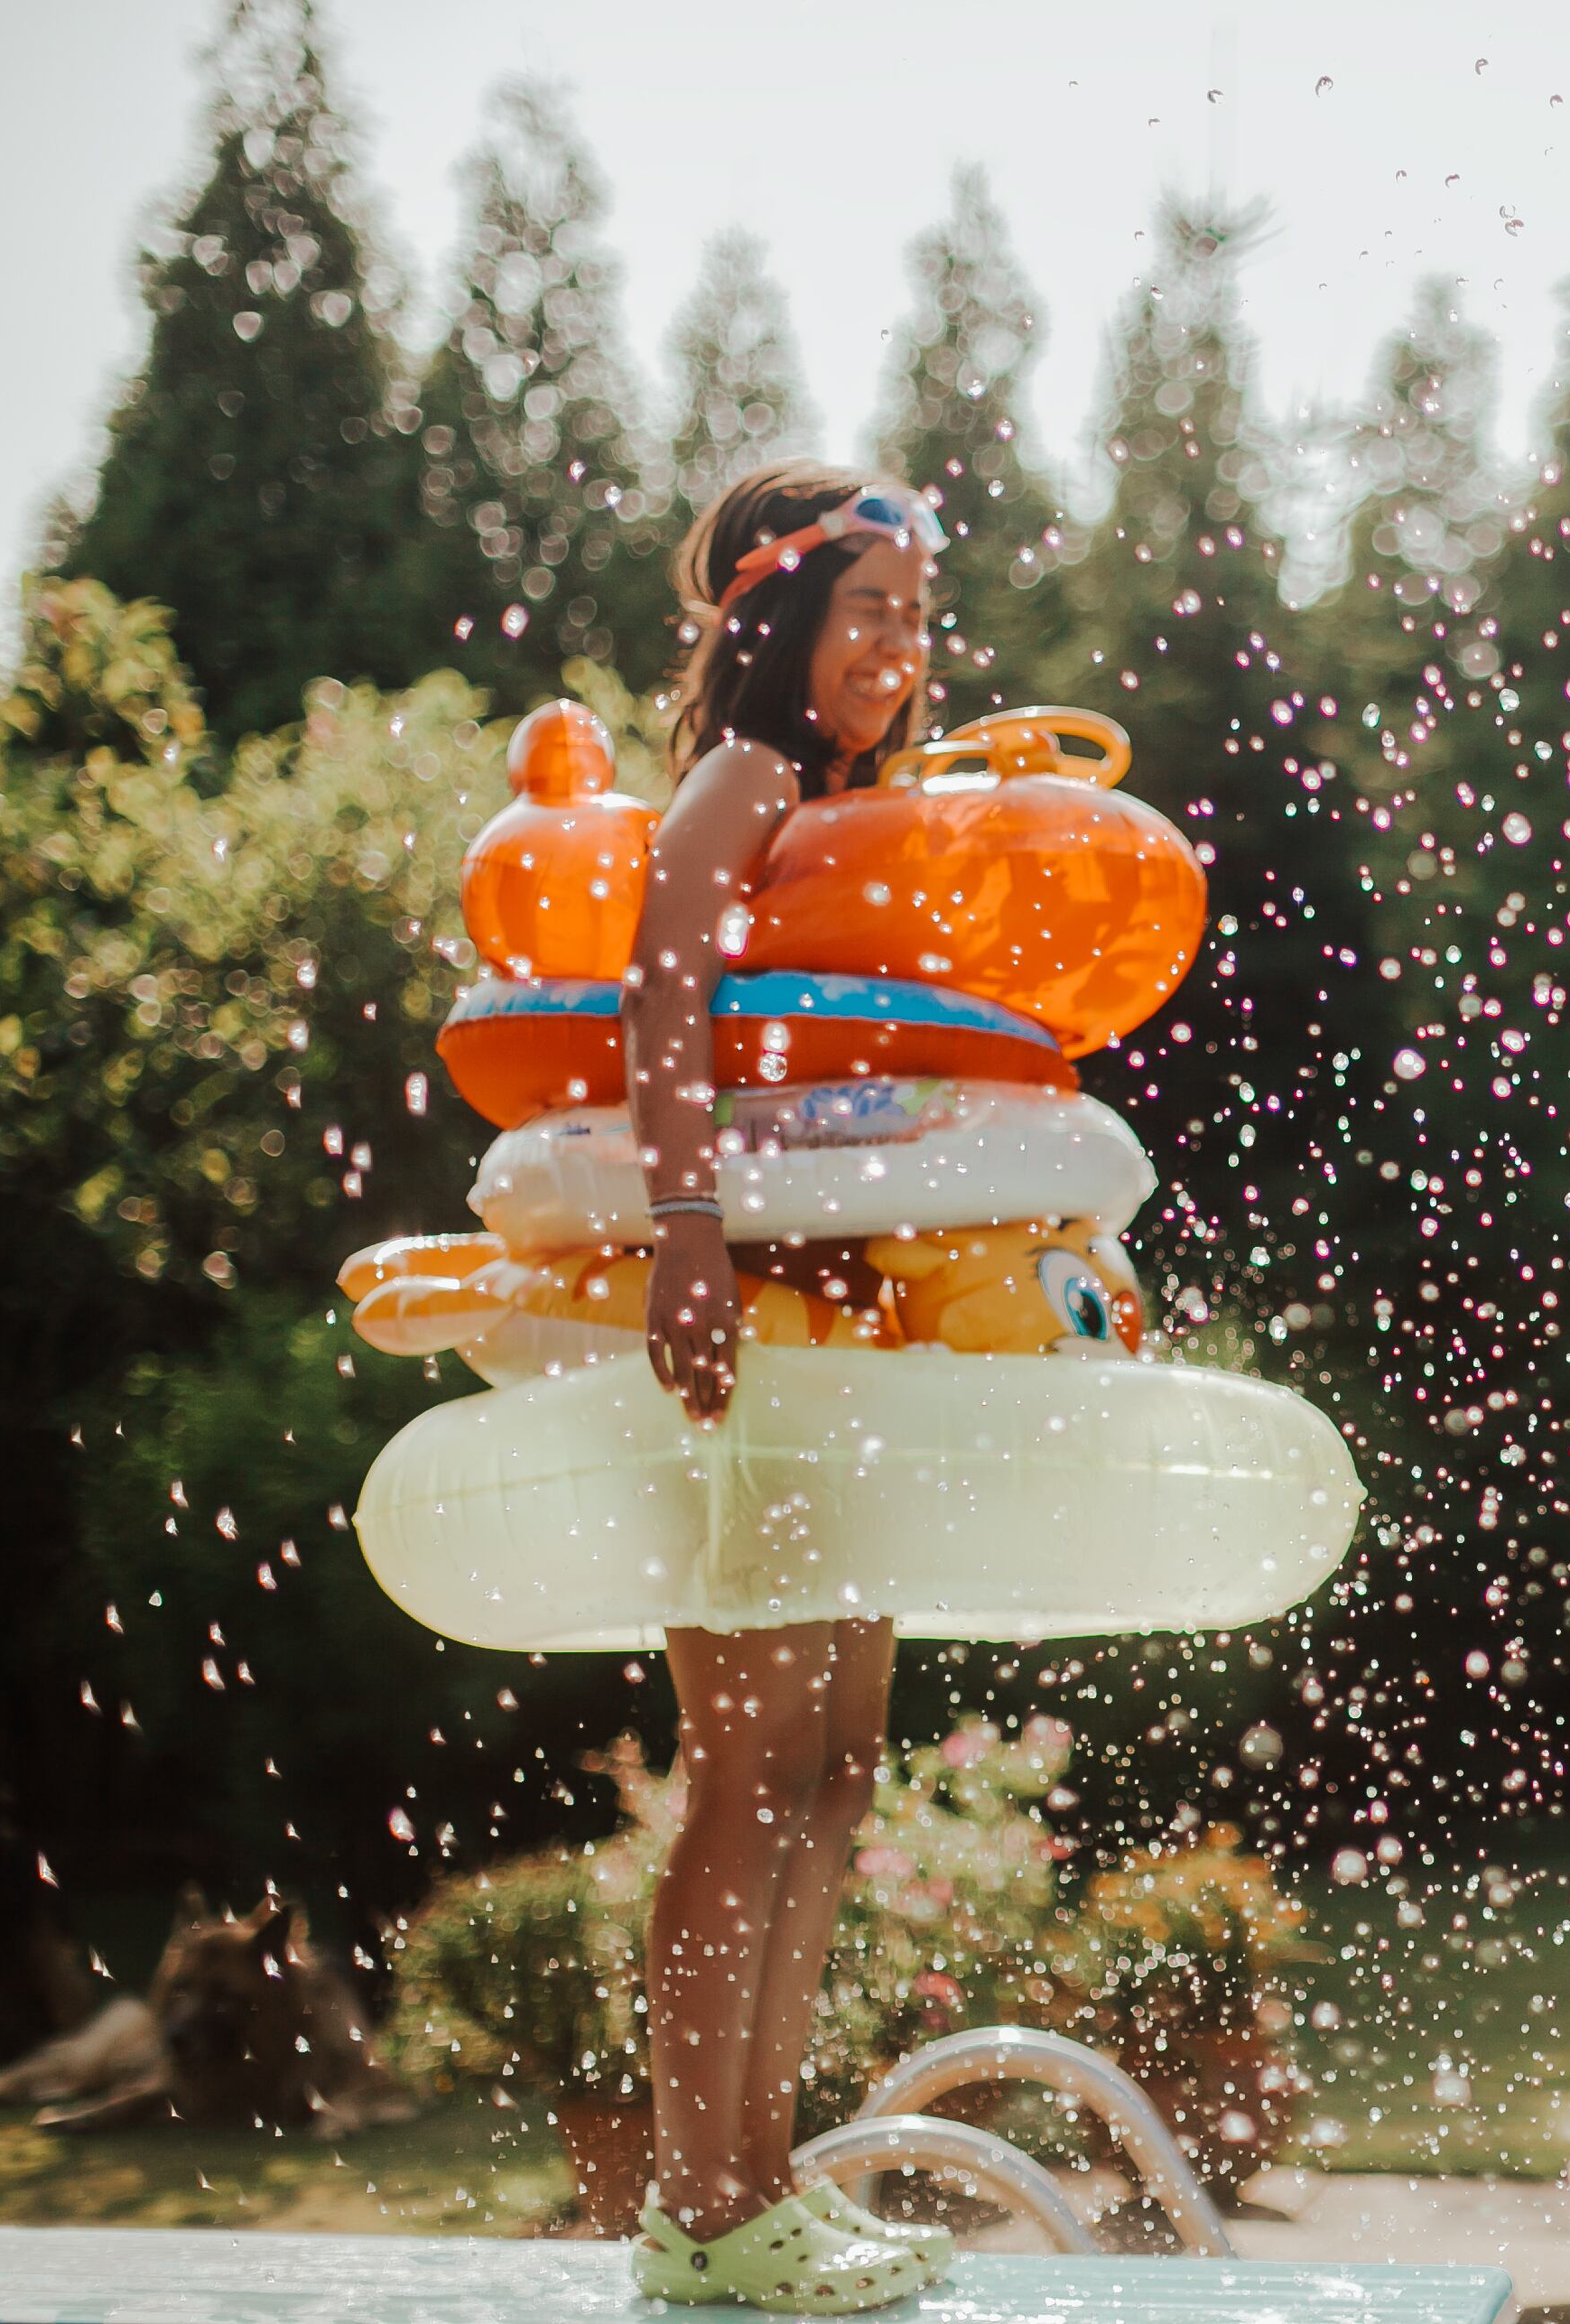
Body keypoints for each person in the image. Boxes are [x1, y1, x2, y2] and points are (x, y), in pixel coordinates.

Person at [622, 462, 954, 2311]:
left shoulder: (850, 811)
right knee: (748, 1773)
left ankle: (760, 2187)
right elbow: (657, 986)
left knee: (835, 1769)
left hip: (844, 1343)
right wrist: (686, 1231)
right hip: (738, 1318)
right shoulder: (744, 781)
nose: (893, 651)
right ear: (780, 625)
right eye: (863, 615)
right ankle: (706, 2203)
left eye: (912, 616)